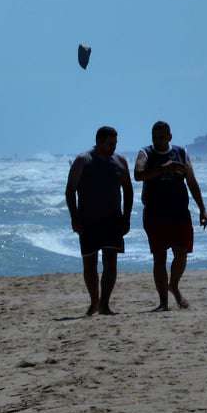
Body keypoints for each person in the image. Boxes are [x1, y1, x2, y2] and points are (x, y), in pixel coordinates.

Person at [135, 121, 207, 311]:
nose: (157, 140)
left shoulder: (180, 153)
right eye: (154, 137)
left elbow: (191, 181)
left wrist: (202, 208)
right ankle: (163, 302)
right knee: (159, 257)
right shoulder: (145, 153)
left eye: (161, 137)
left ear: (169, 137)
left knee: (181, 253)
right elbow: (138, 174)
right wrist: (162, 169)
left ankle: (173, 285)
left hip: (179, 212)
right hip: (155, 213)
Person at [64, 125, 133, 316]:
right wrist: (74, 217)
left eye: (115, 144)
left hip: (113, 220)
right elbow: (70, 190)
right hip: (88, 220)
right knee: (90, 264)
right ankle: (94, 301)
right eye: (110, 144)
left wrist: (126, 217)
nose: (113, 147)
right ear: (99, 142)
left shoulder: (120, 161)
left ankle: (104, 304)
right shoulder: (83, 160)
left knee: (111, 262)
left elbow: (128, 190)